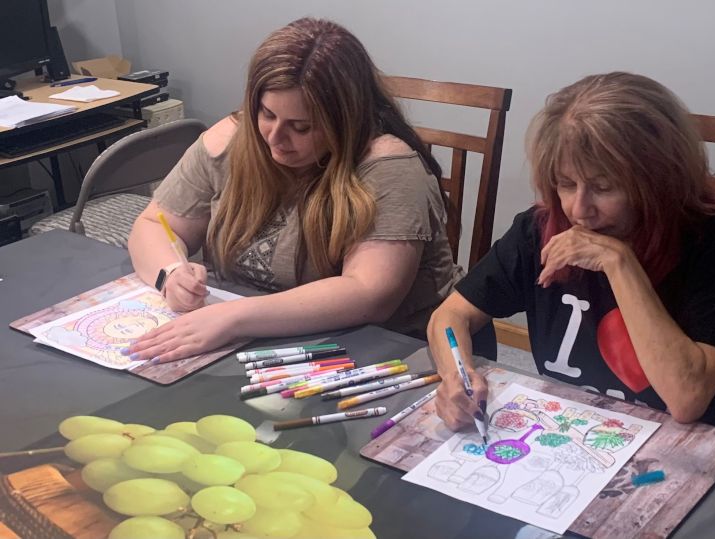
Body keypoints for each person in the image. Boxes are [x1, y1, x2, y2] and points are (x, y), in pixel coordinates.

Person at [428, 72, 715, 448]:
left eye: (604, 187)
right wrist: (456, 376)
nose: (578, 209)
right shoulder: (540, 229)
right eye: (565, 183)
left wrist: (620, 264)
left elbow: (687, 397)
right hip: (602, 437)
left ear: (659, 179)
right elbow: (450, 316)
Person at [124, 18, 462, 363]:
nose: (274, 138)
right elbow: (153, 224)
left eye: (301, 127)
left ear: (345, 121)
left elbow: (369, 294)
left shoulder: (388, 167)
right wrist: (171, 274)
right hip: (266, 337)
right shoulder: (231, 140)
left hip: (390, 350)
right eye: (266, 114)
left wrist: (234, 317)